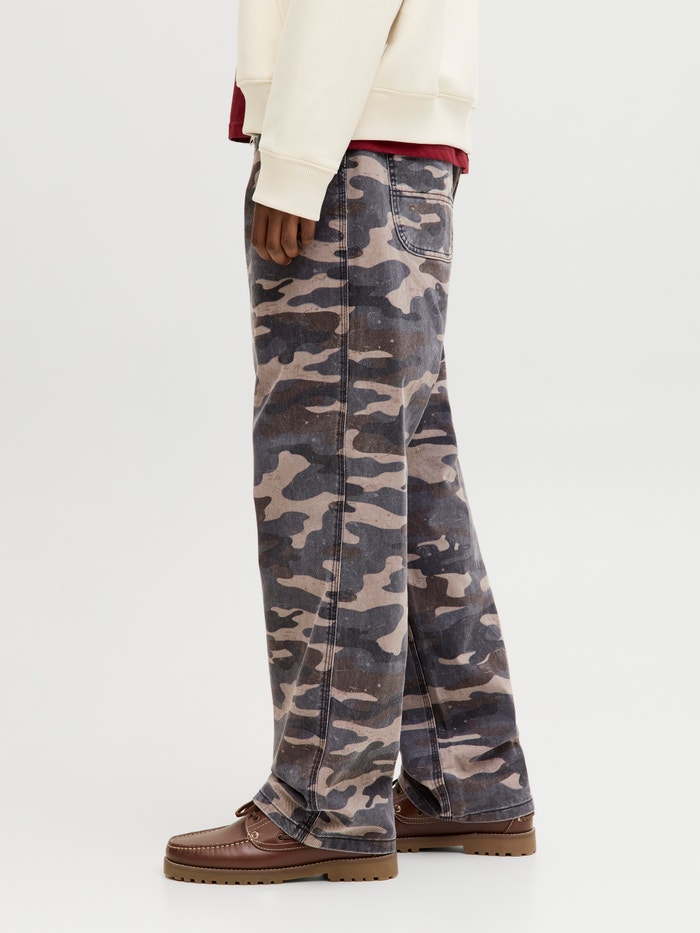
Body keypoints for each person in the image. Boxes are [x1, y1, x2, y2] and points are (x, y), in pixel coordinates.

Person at [164, 0, 535, 885]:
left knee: (329, 478)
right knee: (408, 481)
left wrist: (296, 159)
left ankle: (327, 802)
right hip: (397, 159)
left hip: (345, 155)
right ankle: (467, 780)